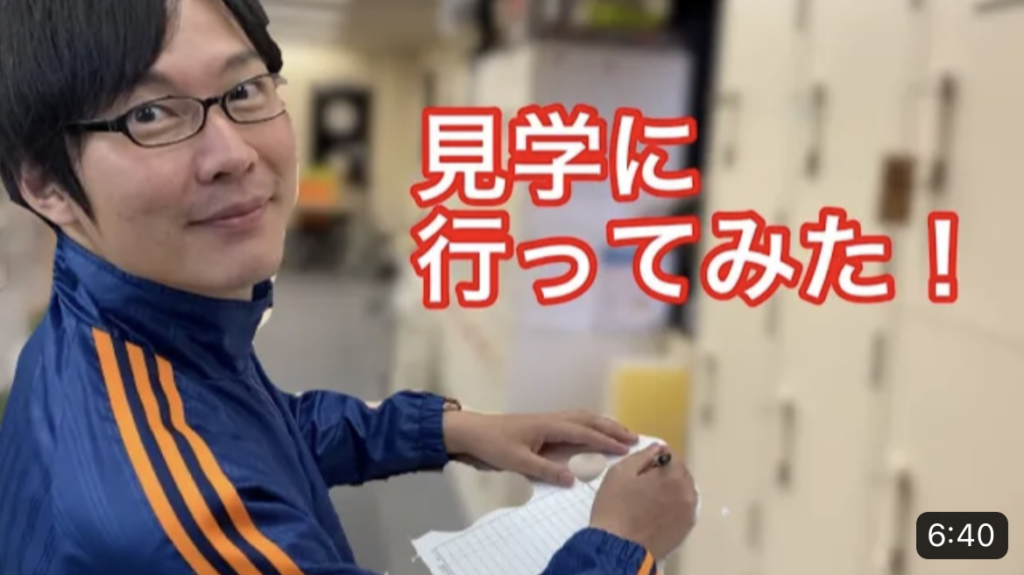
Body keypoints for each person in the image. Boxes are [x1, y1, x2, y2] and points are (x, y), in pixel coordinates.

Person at [0, 0, 699, 573]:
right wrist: (623, 545)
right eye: (151, 114)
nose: (233, 154)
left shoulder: (114, 336)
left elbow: (261, 428)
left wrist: (449, 429)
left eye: (243, 91)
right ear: (44, 182)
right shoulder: (176, 526)